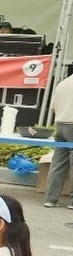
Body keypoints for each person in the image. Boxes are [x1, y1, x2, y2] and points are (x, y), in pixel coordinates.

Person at [42, 70, 73, 208]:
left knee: (58, 163)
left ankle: (50, 199)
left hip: (60, 126)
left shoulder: (62, 84)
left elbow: (53, 107)